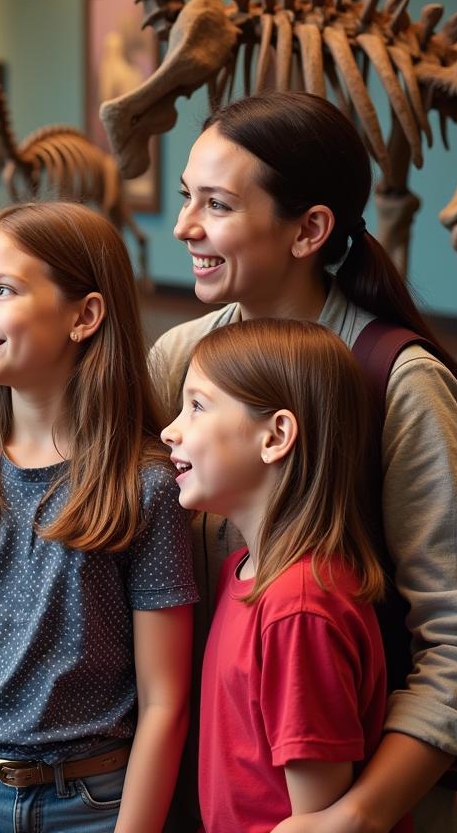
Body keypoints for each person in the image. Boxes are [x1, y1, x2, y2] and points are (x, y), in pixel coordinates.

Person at [150, 91, 457, 833]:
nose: (184, 226)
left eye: (215, 205)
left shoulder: (400, 384)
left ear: (309, 228)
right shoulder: (179, 357)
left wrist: (359, 814)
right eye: (187, 198)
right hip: (216, 786)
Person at [0, 201, 197, 832]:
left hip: (96, 803)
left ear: (84, 315)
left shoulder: (146, 487)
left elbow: (165, 699)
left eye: (2, 290)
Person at [163, 318, 410, 833]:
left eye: (198, 405)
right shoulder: (245, 573)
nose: (171, 429)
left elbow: (314, 820)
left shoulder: (298, 608)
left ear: (275, 436)